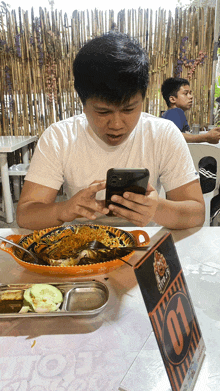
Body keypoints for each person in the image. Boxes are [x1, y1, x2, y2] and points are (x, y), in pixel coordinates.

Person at [16, 32, 205, 230]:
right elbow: (26, 215)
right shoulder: (59, 137)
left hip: (144, 243)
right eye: (103, 111)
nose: (116, 124)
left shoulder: (163, 134)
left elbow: (196, 213)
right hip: (83, 245)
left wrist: (157, 209)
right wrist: (63, 210)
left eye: (129, 109)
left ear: (143, 98)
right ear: (82, 103)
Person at [161, 77, 220, 143]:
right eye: (185, 94)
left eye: (190, 93)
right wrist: (206, 137)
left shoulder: (170, 113)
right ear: (172, 99)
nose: (191, 96)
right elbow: (173, 136)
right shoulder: (175, 112)